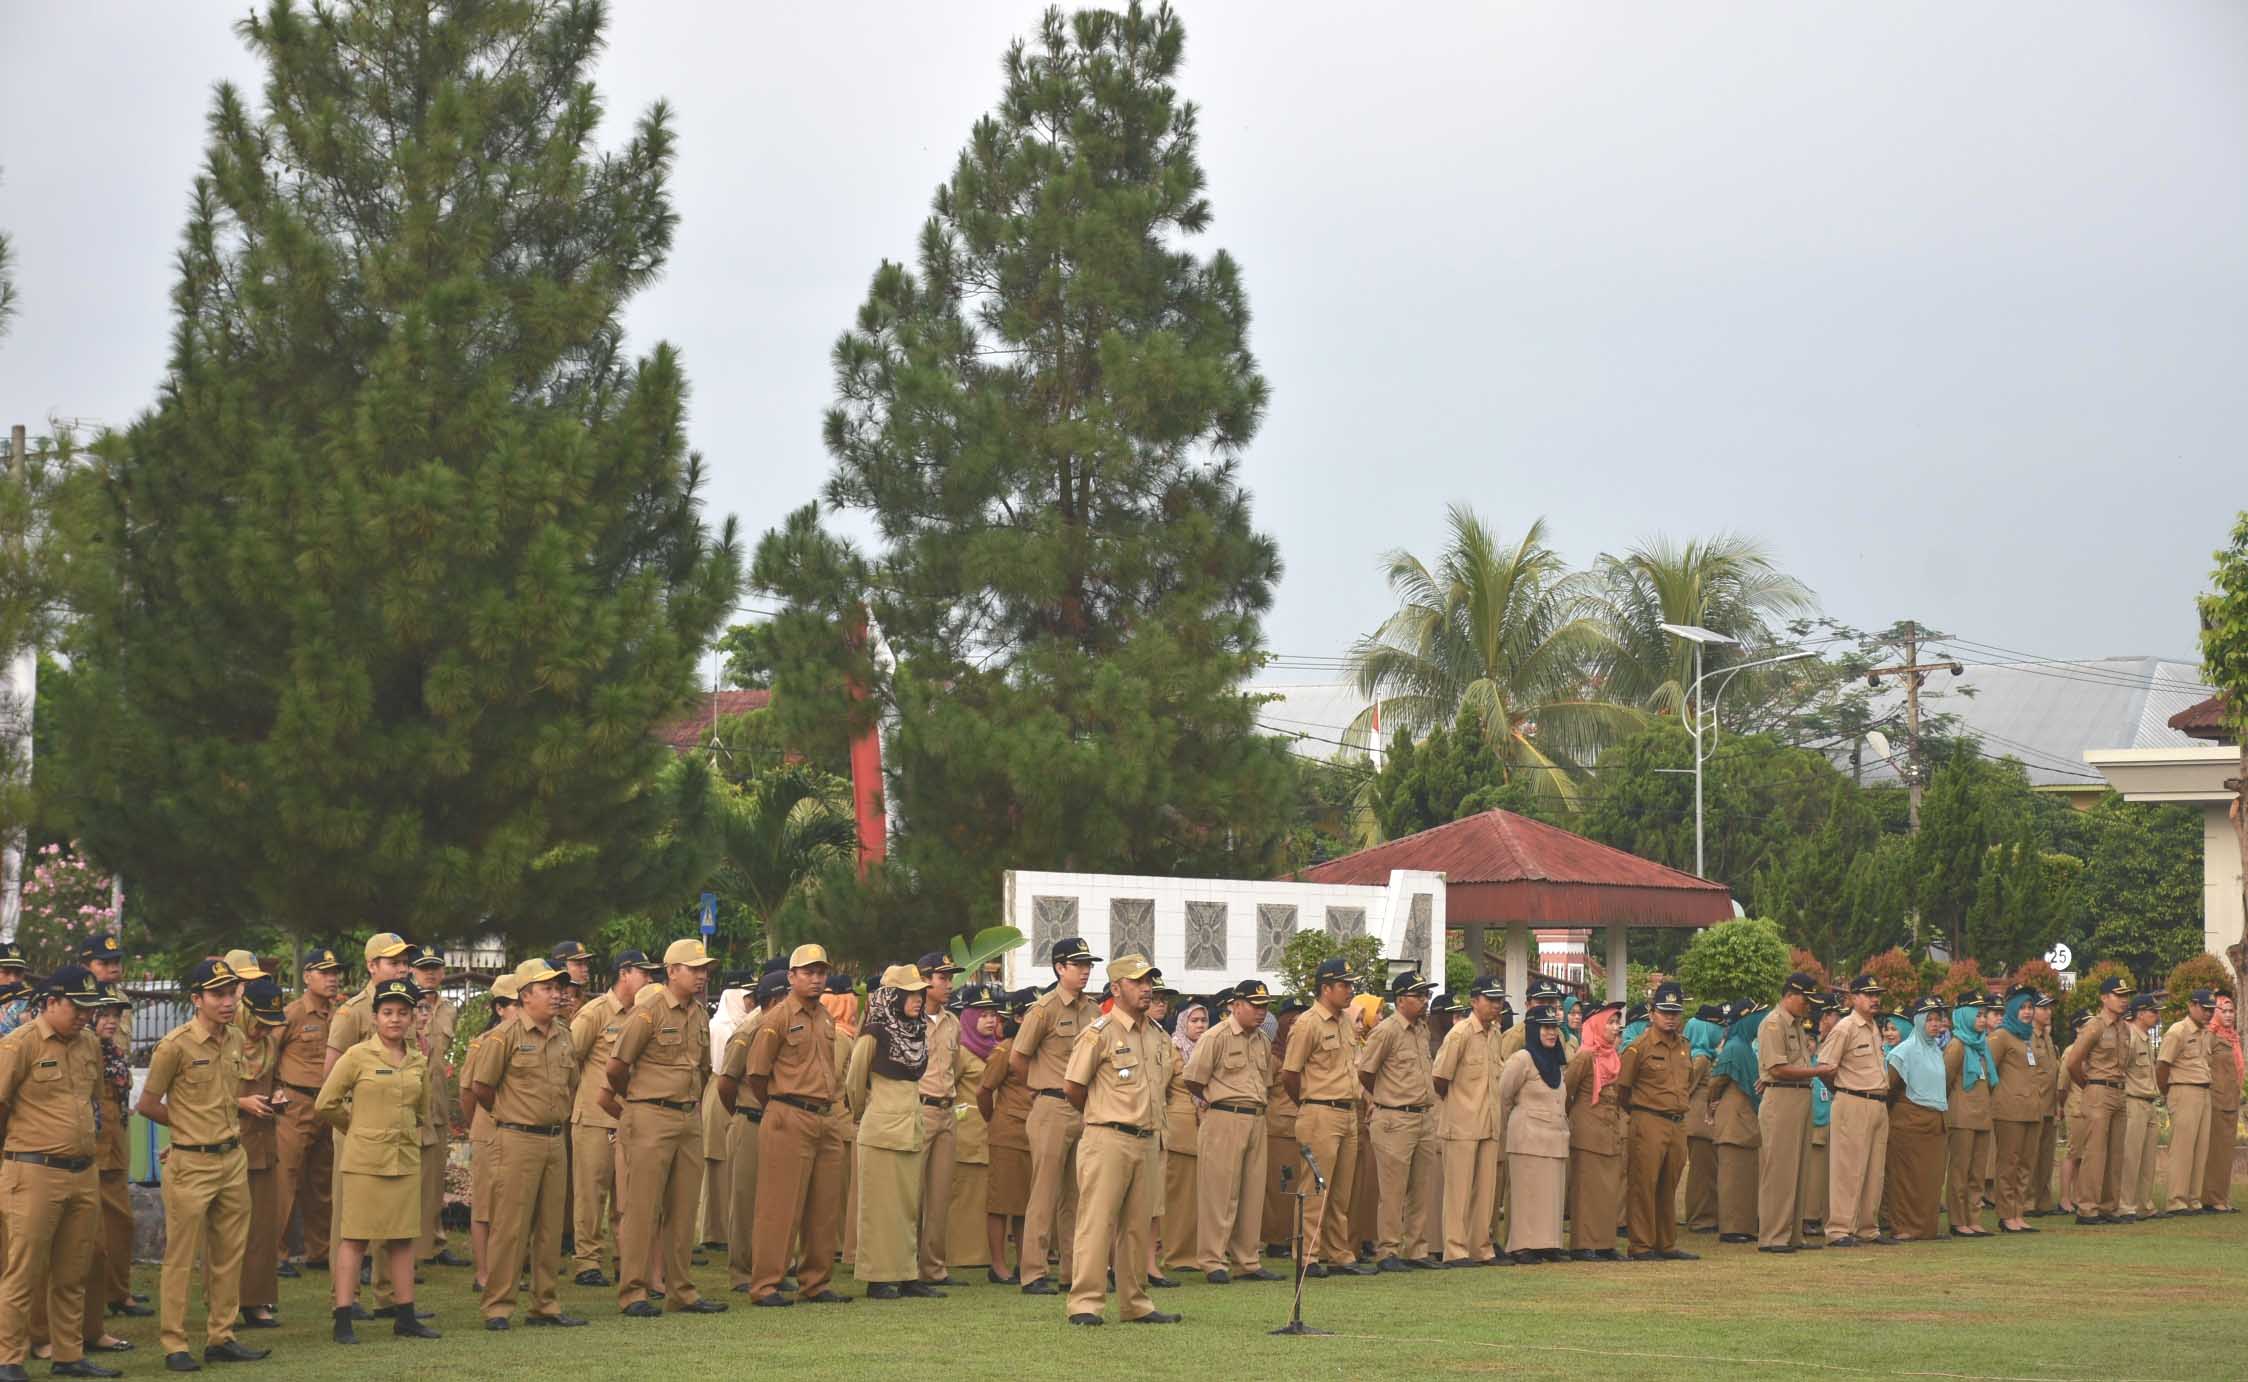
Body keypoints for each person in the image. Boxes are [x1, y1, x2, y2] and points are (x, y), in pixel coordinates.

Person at [139, 957, 271, 1372]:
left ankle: (222, 1336)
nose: (227, 1001)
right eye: (217, 994)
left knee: (229, 1255)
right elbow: (148, 1104)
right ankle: (174, 1343)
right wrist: (186, 1129)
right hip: (191, 1164)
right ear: (197, 999)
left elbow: (223, 1098)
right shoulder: (174, 1046)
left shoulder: (235, 1038)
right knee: (180, 1258)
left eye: (231, 993)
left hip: (231, 1158)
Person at [0, 964, 112, 1382]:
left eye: (90, 1008)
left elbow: (93, 1101)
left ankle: (68, 1354)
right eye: (77, 1007)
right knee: (23, 1270)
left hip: (82, 1172)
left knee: (73, 1271)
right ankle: (8, 1358)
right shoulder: (20, 1044)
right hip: (33, 1172)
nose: (86, 1015)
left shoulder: (89, 1044)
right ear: (50, 1002)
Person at [314, 976, 438, 1346]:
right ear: (375, 1017)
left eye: (402, 1013)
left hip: (403, 1159)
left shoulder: (417, 1060)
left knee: (402, 1239)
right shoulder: (357, 1056)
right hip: (365, 1160)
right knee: (355, 1238)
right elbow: (325, 1103)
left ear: (412, 1018)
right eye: (387, 1012)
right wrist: (356, 1127)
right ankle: (343, 1317)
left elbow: (421, 1110)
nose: (395, 1019)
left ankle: (405, 1316)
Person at [602, 938, 723, 1318]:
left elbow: (703, 1069)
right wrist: (638, 1099)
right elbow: (616, 1068)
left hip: (687, 1116)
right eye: (694, 969)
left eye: (705, 969)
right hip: (650, 1116)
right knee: (643, 1207)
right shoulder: (648, 1012)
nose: (702, 976)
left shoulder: (699, 1014)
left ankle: (681, 1290)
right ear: (672, 971)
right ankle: (634, 1291)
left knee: (684, 1209)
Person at [464, 956, 583, 1330]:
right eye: (547, 988)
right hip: (516, 1139)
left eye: (558, 988)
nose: (557, 994)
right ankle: (498, 1306)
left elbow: (573, 1084)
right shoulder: (505, 1036)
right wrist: (509, 1114)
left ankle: (545, 1303)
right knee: (510, 1227)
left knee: (551, 1226)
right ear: (526, 995)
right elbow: (482, 1087)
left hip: (554, 1140)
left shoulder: (564, 1035)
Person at [1061, 954, 1177, 1327]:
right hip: (1107, 1137)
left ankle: (1135, 1303)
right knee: (1096, 1222)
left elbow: (1166, 1087)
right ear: (1116, 988)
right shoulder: (1100, 1033)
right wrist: (1103, 1114)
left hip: (1147, 1139)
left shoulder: (1158, 1035)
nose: (1147, 988)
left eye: (1149, 981)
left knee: (1138, 1227)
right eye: (1137, 981)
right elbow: (1073, 1087)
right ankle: (1085, 1303)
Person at [745, 944, 851, 1306]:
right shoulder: (777, 1017)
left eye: (821, 972)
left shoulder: (826, 1017)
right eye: (808, 972)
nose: (816, 979)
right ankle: (766, 1285)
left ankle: (816, 1282)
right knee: (780, 1206)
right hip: (788, 1112)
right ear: (791, 976)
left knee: (824, 1207)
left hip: (825, 1115)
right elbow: (756, 1073)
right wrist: (778, 1106)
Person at [323, 934, 415, 1318]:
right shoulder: (353, 1012)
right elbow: (330, 1076)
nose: (402, 968)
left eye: (405, 962)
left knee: (394, 1215)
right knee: (350, 1218)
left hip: (394, 1131)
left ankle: (388, 1295)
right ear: (371, 966)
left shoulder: (408, 1006)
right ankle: (346, 1298)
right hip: (356, 1128)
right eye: (393, 962)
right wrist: (355, 1124)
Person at [1013, 936, 1103, 1296]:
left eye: (1087, 964)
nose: (1085, 971)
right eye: (1078, 964)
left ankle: (1071, 1271)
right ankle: (1033, 1272)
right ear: (1059, 968)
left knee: (1077, 1195)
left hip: (1085, 1107)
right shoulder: (1044, 1009)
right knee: (1044, 1193)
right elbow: (1018, 1057)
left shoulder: (1093, 1009)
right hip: (1052, 1106)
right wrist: (1038, 1088)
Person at [567, 949, 655, 1286]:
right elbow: (570, 1060)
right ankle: (587, 1262)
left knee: (627, 1197)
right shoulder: (595, 1013)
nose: (649, 979)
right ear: (624, 973)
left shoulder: (645, 1013)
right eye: (643, 973)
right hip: (594, 1116)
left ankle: (625, 1260)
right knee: (591, 1194)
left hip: (630, 1117)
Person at [846, 964, 934, 1300]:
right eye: (909, 993)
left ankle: (907, 1274)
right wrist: (862, 1114)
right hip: (881, 1130)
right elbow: (854, 1079)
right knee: (879, 1208)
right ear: (892, 996)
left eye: (920, 993)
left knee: (908, 1208)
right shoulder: (875, 1032)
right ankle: (879, 1277)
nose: (917, 999)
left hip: (910, 1127)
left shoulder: (915, 1031)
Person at [1283, 956, 1371, 1276]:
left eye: (1351, 985)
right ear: (1326, 988)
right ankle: (1307, 1255)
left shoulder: (1346, 1021)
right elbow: (1290, 1074)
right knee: (1315, 1187)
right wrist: (1310, 1104)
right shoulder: (1307, 1024)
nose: (1350, 990)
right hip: (1320, 1111)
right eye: (1344, 985)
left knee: (1341, 1191)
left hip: (1348, 1111)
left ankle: (1339, 1253)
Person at [1185, 979, 1276, 1283]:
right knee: (1219, 1193)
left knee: (1253, 1192)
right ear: (1236, 1006)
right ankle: (1213, 1260)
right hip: (1224, 1116)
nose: (1261, 1012)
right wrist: (1214, 1100)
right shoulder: (1216, 1036)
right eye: (1255, 1005)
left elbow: (1266, 1082)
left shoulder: (1263, 1041)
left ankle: (1247, 1260)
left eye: (1264, 1006)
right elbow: (1193, 1079)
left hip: (1256, 1117)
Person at [1357, 971, 1439, 1272]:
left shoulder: (1421, 1029)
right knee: (1393, 1190)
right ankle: (1388, 1249)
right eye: (1418, 995)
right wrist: (1385, 1098)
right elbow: (1365, 1072)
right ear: (1401, 999)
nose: (1424, 1000)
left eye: (1426, 995)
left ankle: (1416, 1249)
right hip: (1395, 1116)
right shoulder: (1386, 1031)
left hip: (1423, 1115)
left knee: (1421, 1187)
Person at [273, 947, 342, 1276]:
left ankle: (320, 1250)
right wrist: (275, 1092)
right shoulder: (293, 1013)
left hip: (328, 1105)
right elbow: (269, 1053)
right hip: (296, 1104)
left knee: (322, 1181)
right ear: (307, 976)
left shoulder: (340, 1014)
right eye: (324, 972)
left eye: (335, 972)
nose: (332, 978)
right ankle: (277, 1254)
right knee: (285, 1179)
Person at [1615, 980, 1695, 1261]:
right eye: (1664, 1012)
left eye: (1675, 1012)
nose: (1670, 1017)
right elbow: (1623, 1089)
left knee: (1668, 1185)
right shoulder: (1639, 1047)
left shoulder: (1684, 1046)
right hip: (1648, 1119)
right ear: (1652, 1013)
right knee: (1644, 1185)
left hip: (1677, 1122)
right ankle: (1641, 1245)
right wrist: (1640, 1114)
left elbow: (1687, 1082)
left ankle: (1666, 1243)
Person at [1755, 974, 1833, 1253]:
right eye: (1805, 1000)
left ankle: (1792, 1235)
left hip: (1800, 1096)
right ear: (1790, 995)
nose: (1808, 1006)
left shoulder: (1796, 1024)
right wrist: (1817, 1071)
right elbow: (1777, 1069)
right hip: (1782, 1098)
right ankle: (1773, 1236)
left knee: (1799, 1169)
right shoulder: (1773, 1023)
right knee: (1780, 1170)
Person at [717, 969, 782, 1291]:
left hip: (776, 1122)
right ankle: (742, 1272)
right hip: (751, 1119)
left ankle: (769, 1267)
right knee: (744, 1201)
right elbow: (726, 1083)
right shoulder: (749, 1030)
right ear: (774, 1000)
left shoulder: (780, 1027)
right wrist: (741, 1114)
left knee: (774, 1201)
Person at [1432, 977, 1503, 1266]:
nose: (1496, 1005)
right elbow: (1440, 1078)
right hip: (1461, 1123)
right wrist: (1460, 1105)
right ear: (1474, 1001)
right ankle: (1455, 1250)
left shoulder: (1495, 1033)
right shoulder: (1460, 1033)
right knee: (1458, 1192)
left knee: (1485, 1192)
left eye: (1499, 999)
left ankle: (1480, 1248)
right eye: (1490, 999)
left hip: (1489, 1122)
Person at [1816, 975, 1891, 1247]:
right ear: (1853, 998)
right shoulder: (1845, 1027)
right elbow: (1824, 1067)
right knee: (1848, 1168)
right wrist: (1843, 1090)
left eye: (1877, 994)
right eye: (1868, 994)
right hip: (1853, 1100)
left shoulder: (1873, 1027)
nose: (1875, 999)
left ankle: (1867, 1228)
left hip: (1878, 1102)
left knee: (1874, 1170)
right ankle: (1839, 1229)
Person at [1495, 1004, 1569, 1264]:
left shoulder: (1556, 1060)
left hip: (1554, 1136)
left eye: (1554, 1028)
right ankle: (1522, 1245)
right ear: (1533, 1029)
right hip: (1527, 1136)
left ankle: (1547, 1244)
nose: (1551, 1033)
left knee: (1551, 1193)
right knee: (1527, 1193)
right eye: (1545, 1028)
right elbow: (1503, 1095)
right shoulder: (1522, 1059)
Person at [909, 952, 965, 1289]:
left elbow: (954, 1068)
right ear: (924, 980)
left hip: (946, 1109)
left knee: (940, 1195)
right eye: (943, 978)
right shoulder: (908, 1019)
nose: (949, 984)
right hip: (919, 1108)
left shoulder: (953, 1022)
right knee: (911, 1194)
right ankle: (906, 1267)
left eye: (950, 978)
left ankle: (933, 1268)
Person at [236, 978, 289, 1329]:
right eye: (259, 1023)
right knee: (228, 1231)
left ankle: (257, 1300)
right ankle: (225, 1303)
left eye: (270, 1025)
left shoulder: (269, 1044)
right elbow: (203, 1095)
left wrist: (279, 1095)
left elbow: (275, 1079)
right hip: (230, 1142)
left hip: (263, 1143)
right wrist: (240, 1102)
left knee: (262, 1229)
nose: (263, 1031)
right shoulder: (227, 1042)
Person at [463, 975, 520, 1294]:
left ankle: (506, 1270)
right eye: (515, 1004)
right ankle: (484, 1273)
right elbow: (468, 1091)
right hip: (489, 1129)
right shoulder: (485, 1042)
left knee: (511, 1206)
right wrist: (479, 1124)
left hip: (517, 1131)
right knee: (485, 1205)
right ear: (499, 1008)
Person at [405, 947, 462, 1268]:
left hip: (437, 1102)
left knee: (434, 1179)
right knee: (408, 1179)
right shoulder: (404, 1004)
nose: (429, 973)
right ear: (411, 971)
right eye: (423, 967)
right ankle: (405, 1249)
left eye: (435, 967)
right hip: (409, 1103)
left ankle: (434, 1242)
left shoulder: (449, 1009)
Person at [975, 989, 1036, 1283]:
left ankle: (1026, 1263)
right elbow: (983, 1091)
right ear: (1019, 1017)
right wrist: (994, 1120)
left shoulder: (1041, 1049)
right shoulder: (1005, 1050)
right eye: (1032, 1014)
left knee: (1025, 1204)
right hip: (1008, 1134)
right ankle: (998, 1266)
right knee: (1001, 1203)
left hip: (1035, 1133)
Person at [2064, 975, 2135, 1225]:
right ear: (2104, 998)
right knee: (2095, 1153)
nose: (2124, 1000)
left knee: (2115, 1153)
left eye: (2126, 995)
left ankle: (2108, 1207)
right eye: (2119, 995)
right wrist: (2088, 1085)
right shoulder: (2094, 1026)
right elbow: (2073, 1062)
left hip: (2119, 1091)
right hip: (2098, 1090)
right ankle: (2087, 1208)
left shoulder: (2124, 1028)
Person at [1883, 997, 1950, 1243]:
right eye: (1929, 1019)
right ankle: (1903, 1228)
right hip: (1908, 1123)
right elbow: (1889, 1089)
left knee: (1930, 1179)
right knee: (1906, 1178)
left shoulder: (1935, 1051)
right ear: (1919, 1021)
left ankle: (1926, 1228)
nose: (1934, 1024)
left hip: (1934, 1124)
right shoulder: (1904, 1051)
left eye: (1938, 1019)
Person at [1562, 998, 1624, 1262]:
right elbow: (1567, 1091)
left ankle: (1605, 1243)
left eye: (1617, 1022)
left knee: (1608, 1189)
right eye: (1610, 1022)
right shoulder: (1585, 1056)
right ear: (1597, 1024)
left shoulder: (1612, 1056)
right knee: (1586, 1190)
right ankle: (1583, 1243)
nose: (1616, 1027)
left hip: (1609, 1131)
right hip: (1587, 1131)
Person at [946, 986, 1000, 1272]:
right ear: (968, 1017)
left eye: (993, 1014)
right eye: (983, 1015)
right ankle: (960, 1254)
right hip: (967, 1133)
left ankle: (981, 1253)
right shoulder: (962, 1052)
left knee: (983, 1196)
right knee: (964, 1196)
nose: (990, 1020)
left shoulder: (994, 1049)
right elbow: (947, 1087)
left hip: (990, 1133)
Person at [1986, 986, 2045, 1233]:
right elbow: (1989, 1070)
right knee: (2008, 1165)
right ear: (2012, 1009)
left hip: (2032, 1109)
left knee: (2026, 1165)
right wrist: (2000, 1097)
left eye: (2030, 1007)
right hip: (2009, 1111)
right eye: (2022, 1007)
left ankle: (2018, 1213)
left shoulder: (2028, 1037)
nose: (2027, 1012)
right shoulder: (2001, 1036)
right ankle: (2006, 1214)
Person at [1939, 993, 1998, 1236]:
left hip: (1982, 1116)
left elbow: (1990, 1081)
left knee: (1977, 1173)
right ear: (1965, 1016)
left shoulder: (1982, 1045)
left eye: (1984, 1015)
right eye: (1978, 1015)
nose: (1983, 1020)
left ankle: (1974, 1218)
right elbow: (1945, 1080)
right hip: (1961, 1117)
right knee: (1959, 1172)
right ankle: (1958, 1220)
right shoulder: (1957, 1045)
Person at [1707, 1000, 1764, 1244]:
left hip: (1745, 1120)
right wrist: (1713, 1103)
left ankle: (1744, 1226)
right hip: (1733, 1120)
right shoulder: (1735, 1048)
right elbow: (1716, 1082)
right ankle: (1731, 1228)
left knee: (1746, 1176)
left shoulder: (1745, 1047)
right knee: (1732, 1176)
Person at [2155, 989, 2217, 1215]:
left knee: (2200, 1149)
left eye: (2211, 1010)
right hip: (2183, 1089)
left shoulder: (2206, 1033)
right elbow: (2162, 1065)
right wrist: (2167, 1092)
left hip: (2203, 1091)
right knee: (2182, 1148)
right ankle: (2177, 1201)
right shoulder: (2177, 1031)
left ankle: (2193, 1199)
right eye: (2205, 1008)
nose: (2208, 1013)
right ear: (2192, 1005)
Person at [1157, 993, 1205, 1278]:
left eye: (1203, 1020)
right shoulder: (1172, 1048)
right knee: (1178, 1198)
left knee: (1198, 1198)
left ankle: (1196, 1252)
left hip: (1205, 1130)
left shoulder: (1208, 1048)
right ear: (1182, 1022)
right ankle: (1177, 1254)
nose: (1200, 1025)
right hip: (1180, 1130)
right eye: (1194, 1020)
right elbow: (1161, 1087)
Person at [1260, 996, 1307, 1253]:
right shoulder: (1275, 1056)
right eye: (1293, 1021)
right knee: (1281, 1187)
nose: (1298, 1026)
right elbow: (1263, 1090)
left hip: (1305, 1126)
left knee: (1301, 1186)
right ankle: (1277, 1240)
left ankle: (1295, 1236)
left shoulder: (1307, 1052)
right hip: (1279, 1130)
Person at [2116, 994, 2163, 1222]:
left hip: (2148, 1101)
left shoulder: (2144, 1037)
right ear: (2140, 1013)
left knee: (2148, 1159)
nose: (2157, 1015)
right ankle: (2125, 1205)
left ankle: (2144, 1204)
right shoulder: (2130, 1036)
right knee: (2131, 1157)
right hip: (2133, 1101)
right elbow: (2119, 1069)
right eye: (2153, 1011)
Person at [1681, 1003, 1724, 1235]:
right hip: (1699, 1122)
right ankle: (1701, 1219)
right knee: (1702, 1174)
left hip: (1700, 1121)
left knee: (1705, 1171)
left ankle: (1704, 1215)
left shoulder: (1703, 1055)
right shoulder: (1701, 1059)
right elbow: (1685, 1089)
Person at [2202, 994, 2241, 1214]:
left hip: (2231, 1100)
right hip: (2216, 1100)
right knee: (2215, 1151)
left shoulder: (2233, 1037)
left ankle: (2221, 1197)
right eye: (2223, 1010)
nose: (2228, 1015)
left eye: (2231, 1011)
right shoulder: (2211, 1035)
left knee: (2225, 1152)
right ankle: (2212, 1199)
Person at [2028, 992, 2064, 1216]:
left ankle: (2043, 1201)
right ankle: (2028, 1201)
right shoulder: (2027, 1037)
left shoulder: (2047, 1038)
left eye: (2049, 1008)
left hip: (2050, 1104)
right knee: (2030, 1156)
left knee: (2046, 1156)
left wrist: (2058, 1104)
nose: (2048, 1012)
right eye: (2043, 1008)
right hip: (2034, 1103)